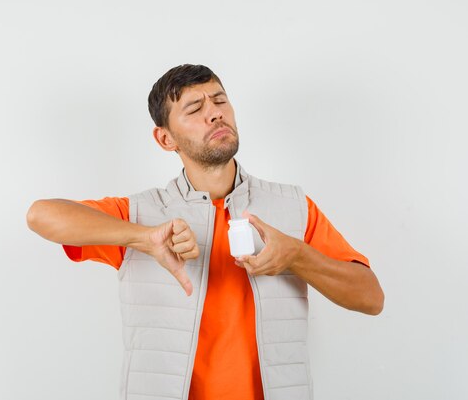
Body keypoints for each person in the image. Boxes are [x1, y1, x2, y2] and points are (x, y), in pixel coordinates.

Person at [26, 64, 384, 400]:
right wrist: (142, 238)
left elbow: (371, 298)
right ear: (166, 139)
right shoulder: (139, 214)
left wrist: (299, 256)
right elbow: (41, 215)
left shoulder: (292, 206)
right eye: (194, 108)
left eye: (220, 100)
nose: (215, 112)